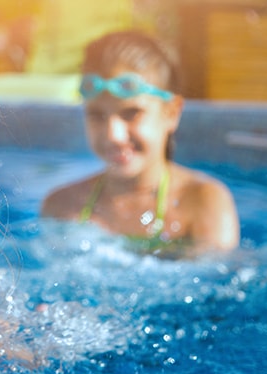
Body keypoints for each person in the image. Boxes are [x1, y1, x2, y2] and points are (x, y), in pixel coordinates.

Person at [41, 30, 239, 255]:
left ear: (171, 113)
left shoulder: (202, 203)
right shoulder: (61, 207)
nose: (113, 135)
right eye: (97, 115)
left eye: (131, 113)